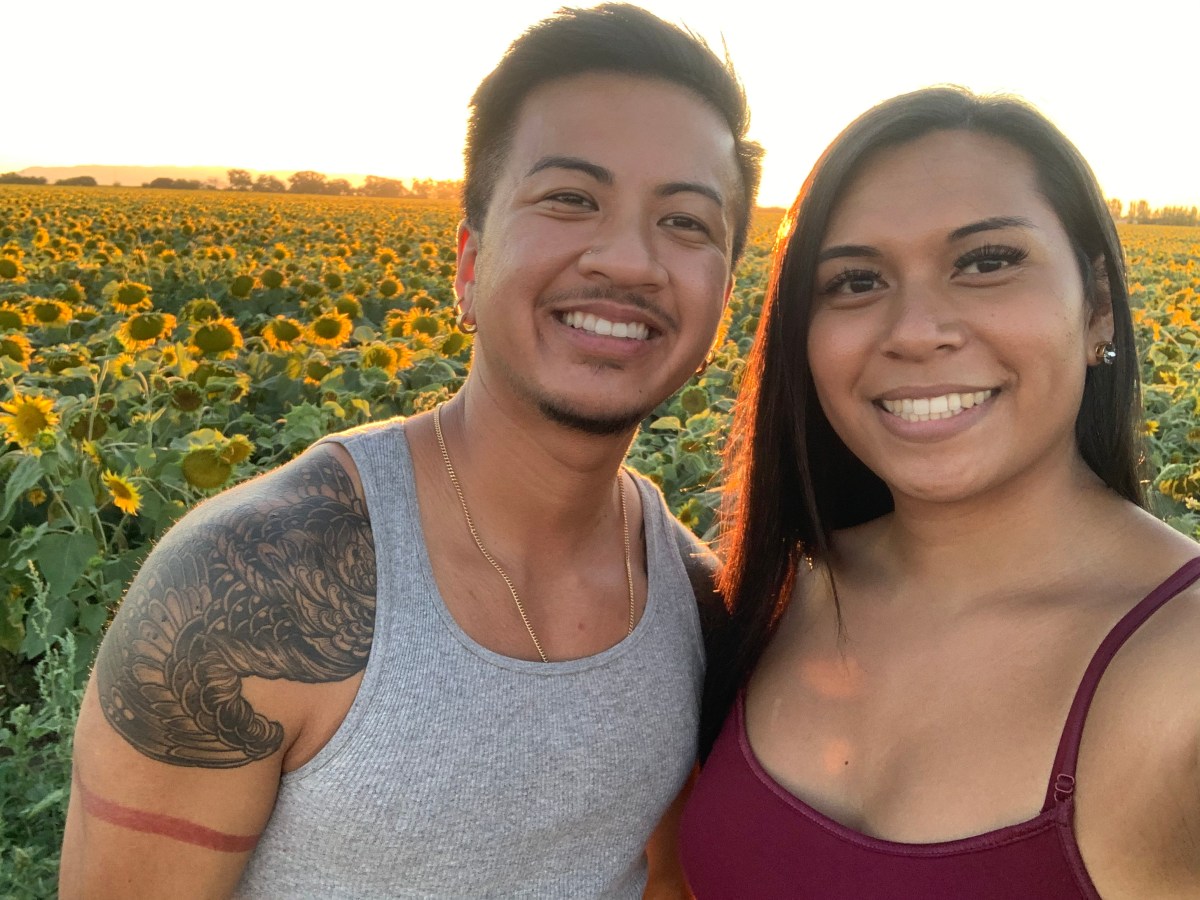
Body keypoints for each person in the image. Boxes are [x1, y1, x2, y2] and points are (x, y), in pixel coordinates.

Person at [59, 5, 762, 897]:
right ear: (468, 265)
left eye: (688, 223)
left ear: (724, 296)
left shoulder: (699, 606)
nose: (629, 259)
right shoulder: (254, 583)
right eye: (571, 199)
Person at [679, 87, 1200, 898]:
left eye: (987, 262)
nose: (917, 330)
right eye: (854, 280)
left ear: (1098, 305)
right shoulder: (773, 593)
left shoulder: (1181, 672)